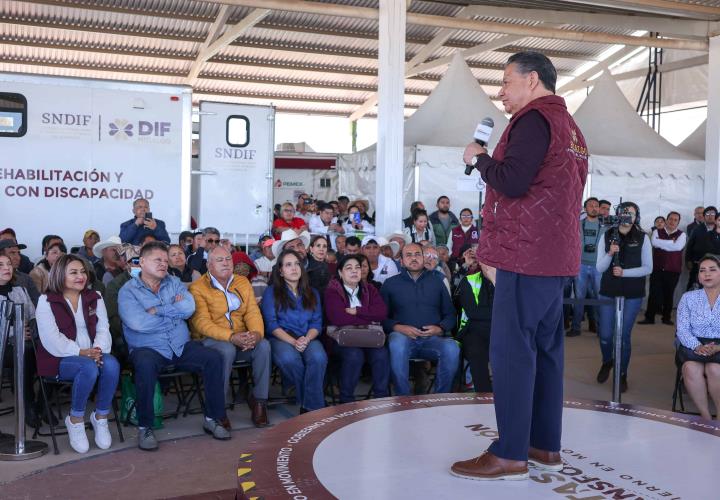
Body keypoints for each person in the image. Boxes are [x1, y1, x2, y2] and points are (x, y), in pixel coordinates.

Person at [453, 51, 588, 480]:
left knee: (512, 353)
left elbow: (513, 180)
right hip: (555, 257)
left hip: (525, 257)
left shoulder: (533, 120)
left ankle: (510, 452)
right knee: (546, 353)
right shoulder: (571, 128)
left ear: (531, 80)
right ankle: (544, 445)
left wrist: (479, 158)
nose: (501, 91)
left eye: (507, 81)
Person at [118, 241, 230, 450]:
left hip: (179, 345)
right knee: (144, 365)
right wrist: (173, 312)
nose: (163, 264)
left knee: (213, 358)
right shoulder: (128, 291)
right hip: (148, 348)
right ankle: (145, 427)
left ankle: (212, 418)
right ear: (142, 262)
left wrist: (158, 310)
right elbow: (138, 323)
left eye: (165, 260)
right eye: (157, 260)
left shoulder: (174, 282)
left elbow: (188, 307)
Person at [35, 254, 120, 453]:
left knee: (112, 363)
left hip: (92, 353)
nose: (80, 276)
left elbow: (103, 328)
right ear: (59, 275)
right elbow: (51, 339)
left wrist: (97, 350)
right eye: (73, 272)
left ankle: (100, 417)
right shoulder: (46, 300)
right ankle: (75, 419)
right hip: (59, 358)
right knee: (88, 367)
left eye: (82, 272)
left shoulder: (94, 297)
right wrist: (81, 352)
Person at [189, 247, 271, 428]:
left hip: (240, 337)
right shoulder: (198, 287)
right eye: (219, 260)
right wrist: (231, 337)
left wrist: (256, 333)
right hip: (210, 339)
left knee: (263, 346)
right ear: (209, 265)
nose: (225, 262)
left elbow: (252, 312)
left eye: (228, 259)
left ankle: (259, 402)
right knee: (225, 350)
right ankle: (218, 409)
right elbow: (201, 323)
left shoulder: (242, 282)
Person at [382, 243, 459, 396]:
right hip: (403, 339)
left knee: (452, 347)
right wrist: (398, 327)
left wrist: (440, 328)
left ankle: (440, 399)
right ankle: (403, 399)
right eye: (408, 255)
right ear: (402, 261)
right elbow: (381, 318)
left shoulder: (437, 282)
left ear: (423, 258)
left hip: (431, 340)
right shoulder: (390, 284)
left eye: (417, 254)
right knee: (397, 342)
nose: (414, 258)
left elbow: (451, 315)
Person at [260, 250, 326, 413]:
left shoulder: (312, 293)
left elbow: (316, 323)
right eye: (288, 265)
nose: (294, 268)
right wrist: (294, 342)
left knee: (318, 357)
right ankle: (313, 405)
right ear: (280, 271)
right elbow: (271, 325)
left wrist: (306, 339)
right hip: (281, 338)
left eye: (297, 264)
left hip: (308, 337)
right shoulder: (271, 292)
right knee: (290, 359)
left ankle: (308, 405)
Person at [595, 202, 652, 393]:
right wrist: (610, 253)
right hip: (608, 290)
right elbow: (600, 268)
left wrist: (625, 273)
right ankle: (607, 361)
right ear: (617, 215)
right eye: (624, 213)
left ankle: (622, 373)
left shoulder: (643, 237)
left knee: (623, 336)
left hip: (632, 293)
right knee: (605, 335)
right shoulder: (607, 234)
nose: (628, 216)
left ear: (637, 216)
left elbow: (648, 268)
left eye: (632, 214)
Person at [324, 254, 390, 403]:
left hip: (368, 338)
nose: (354, 271)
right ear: (340, 273)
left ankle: (381, 398)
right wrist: (368, 316)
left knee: (381, 354)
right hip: (343, 339)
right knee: (354, 355)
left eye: (357, 268)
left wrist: (357, 311)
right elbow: (338, 318)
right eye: (349, 268)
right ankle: (346, 400)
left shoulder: (370, 289)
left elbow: (381, 313)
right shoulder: (333, 291)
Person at [0, 254, 44, 429]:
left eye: (9, 264)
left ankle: (43, 404)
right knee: (24, 353)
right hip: (5, 347)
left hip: (26, 341)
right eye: (1, 265)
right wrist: (16, 332)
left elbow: (33, 315)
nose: (6, 268)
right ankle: (28, 405)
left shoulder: (19, 290)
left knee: (51, 351)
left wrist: (31, 329)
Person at [676, 254, 720, 421]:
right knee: (690, 368)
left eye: (712, 270)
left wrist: (717, 347)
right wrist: (697, 346)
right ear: (698, 276)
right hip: (694, 346)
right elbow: (682, 329)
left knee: (715, 369)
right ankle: (706, 418)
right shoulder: (689, 298)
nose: (707, 274)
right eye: (702, 271)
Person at [640, 211, 686, 325]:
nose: (672, 221)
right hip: (657, 268)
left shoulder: (682, 234)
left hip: (673, 270)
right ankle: (649, 317)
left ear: (678, 222)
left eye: (675, 220)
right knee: (653, 293)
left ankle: (666, 318)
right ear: (666, 220)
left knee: (668, 294)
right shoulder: (657, 231)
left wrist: (664, 244)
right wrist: (671, 243)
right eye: (670, 219)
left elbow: (678, 247)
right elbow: (654, 243)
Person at [456, 267, 495, 393]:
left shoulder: (509, 282)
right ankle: (485, 395)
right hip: (473, 330)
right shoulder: (469, 280)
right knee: (476, 350)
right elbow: (473, 312)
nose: (490, 266)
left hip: (501, 331)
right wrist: (499, 313)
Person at [568, 197, 601, 337]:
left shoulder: (605, 226)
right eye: (590, 205)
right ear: (585, 208)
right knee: (579, 298)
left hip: (598, 266)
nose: (593, 207)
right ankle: (576, 328)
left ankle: (601, 328)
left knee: (600, 298)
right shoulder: (578, 224)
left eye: (596, 205)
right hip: (580, 265)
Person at [104, 244, 140, 365]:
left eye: (142, 260)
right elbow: (113, 318)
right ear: (125, 263)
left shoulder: (156, 279)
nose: (139, 264)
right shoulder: (115, 285)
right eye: (135, 261)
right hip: (128, 331)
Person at [0, 239, 40, 306]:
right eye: (12, 253)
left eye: (18, 253)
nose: (18, 257)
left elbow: (37, 305)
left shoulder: (26, 279)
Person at [685, 206, 717, 290]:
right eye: (707, 214)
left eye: (713, 214)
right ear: (704, 216)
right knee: (694, 288)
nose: (710, 216)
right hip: (697, 264)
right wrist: (688, 260)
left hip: (716, 266)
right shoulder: (696, 229)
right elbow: (690, 246)